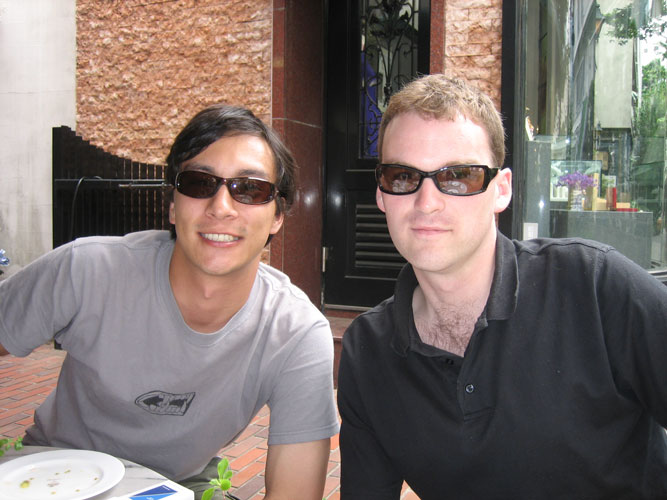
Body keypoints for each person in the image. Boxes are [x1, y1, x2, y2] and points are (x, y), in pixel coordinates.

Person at [337, 74, 667, 499]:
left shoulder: (594, 286)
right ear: (382, 195)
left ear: (501, 190)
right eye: (402, 176)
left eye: (459, 176)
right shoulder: (368, 351)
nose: (427, 201)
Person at [0, 104, 339, 500]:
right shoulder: (87, 270)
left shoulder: (296, 333)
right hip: (53, 475)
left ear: (278, 215)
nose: (221, 207)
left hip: (175, 486)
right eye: (199, 183)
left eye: (250, 189)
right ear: (173, 205)